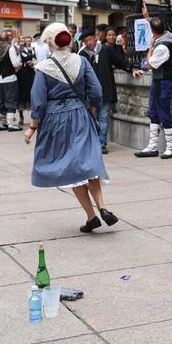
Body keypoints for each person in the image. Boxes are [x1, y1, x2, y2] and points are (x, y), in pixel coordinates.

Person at [24, 24, 117, 233]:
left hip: (56, 120)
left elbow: (38, 101)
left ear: (50, 43)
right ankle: (102, 207)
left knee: (71, 168)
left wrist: (32, 127)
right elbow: (97, 91)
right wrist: (91, 108)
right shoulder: (81, 61)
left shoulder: (43, 68)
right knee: (89, 162)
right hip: (80, 114)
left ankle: (91, 216)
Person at [132, 15, 172, 159]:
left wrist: (150, 47)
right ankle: (153, 146)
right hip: (159, 81)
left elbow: (148, 64)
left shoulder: (162, 46)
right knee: (153, 112)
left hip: (164, 82)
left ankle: (170, 147)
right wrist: (148, 17)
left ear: (153, 33)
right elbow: (157, 26)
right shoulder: (167, 35)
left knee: (163, 113)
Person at [93, 26, 127, 154]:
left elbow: (120, 62)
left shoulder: (100, 49)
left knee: (99, 118)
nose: (112, 37)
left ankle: (99, 143)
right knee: (101, 118)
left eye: (114, 35)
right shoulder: (105, 49)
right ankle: (101, 143)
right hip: (102, 89)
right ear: (104, 36)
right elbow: (122, 63)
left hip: (100, 90)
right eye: (109, 35)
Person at [0, 30, 23, 131]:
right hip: (10, 78)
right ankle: (11, 123)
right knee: (11, 100)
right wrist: (19, 64)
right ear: (8, 39)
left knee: (0, 101)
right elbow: (16, 64)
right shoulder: (11, 48)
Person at [16, 35, 38, 126]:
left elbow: (35, 59)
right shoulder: (16, 50)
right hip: (20, 75)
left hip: (30, 74)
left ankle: (34, 117)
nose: (22, 42)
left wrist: (33, 63)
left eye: (23, 40)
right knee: (20, 96)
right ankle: (21, 116)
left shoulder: (31, 49)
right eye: (20, 40)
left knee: (32, 94)